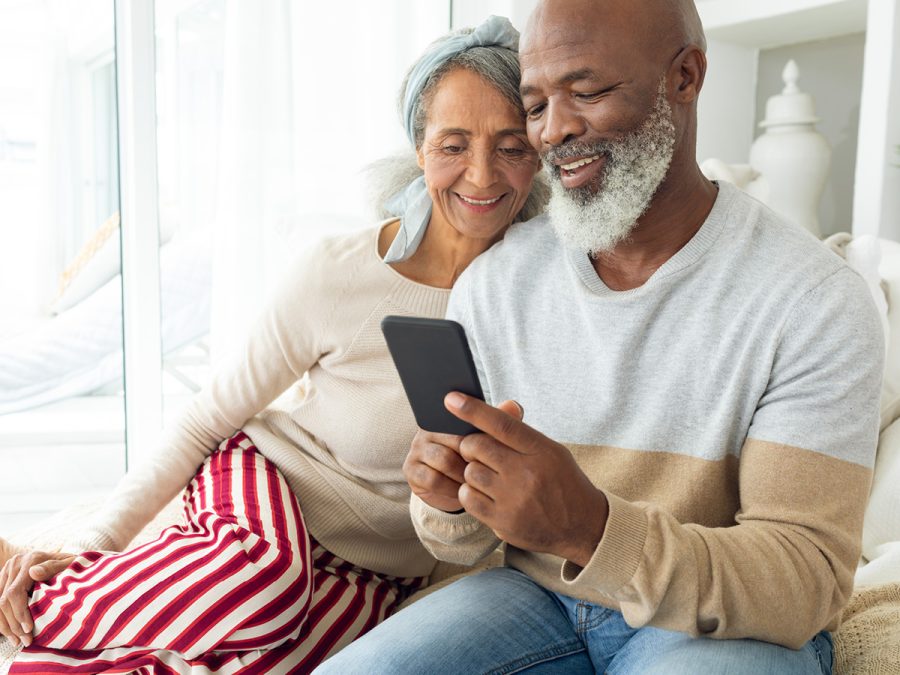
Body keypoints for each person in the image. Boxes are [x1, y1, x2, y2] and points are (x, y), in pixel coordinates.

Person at [315, 0, 885, 673]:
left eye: (586, 92)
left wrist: (591, 529)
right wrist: (446, 496)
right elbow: (460, 542)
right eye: (535, 105)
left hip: (720, 627)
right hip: (537, 598)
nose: (553, 131)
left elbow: (803, 581)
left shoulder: (812, 298)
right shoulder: (497, 281)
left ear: (686, 76)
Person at [0, 15, 545, 673]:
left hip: (376, 570)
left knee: (243, 662)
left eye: (512, 145)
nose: (482, 175)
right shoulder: (341, 271)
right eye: (453, 144)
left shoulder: (539, 297)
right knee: (269, 585)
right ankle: (32, 588)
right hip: (267, 483)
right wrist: (93, 546)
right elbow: (204, 422)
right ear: (419, 148)